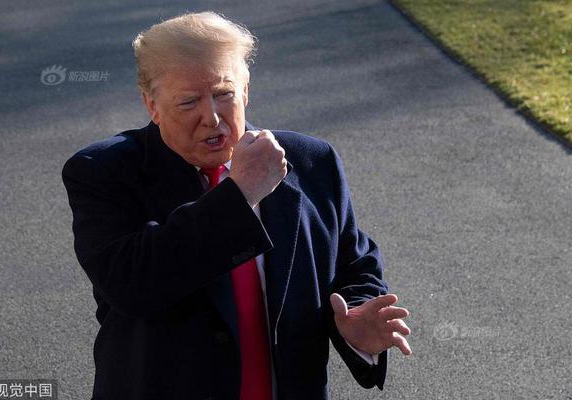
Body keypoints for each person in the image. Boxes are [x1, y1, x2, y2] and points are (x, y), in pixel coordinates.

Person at [62, 11, 411, 400]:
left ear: (246, 90)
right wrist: (240, 194)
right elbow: (132, 285)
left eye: (224, 94)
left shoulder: (312, 161)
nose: (211, 118)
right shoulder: (102, 172)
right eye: (189, 101)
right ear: (152, 105)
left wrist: (357, 319)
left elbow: (354, 265)